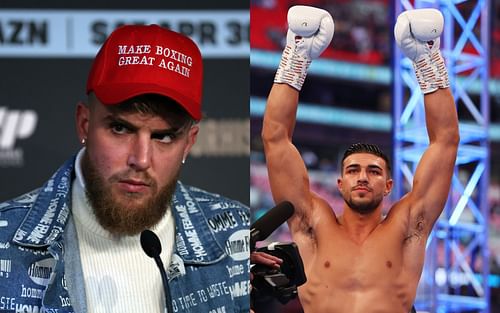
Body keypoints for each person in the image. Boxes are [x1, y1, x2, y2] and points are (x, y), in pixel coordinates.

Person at [0, 25, 249, 313]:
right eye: (120, 128)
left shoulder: (238, 234)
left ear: (189, 143)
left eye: (164, 136)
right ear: (85, 124)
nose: (141, 160)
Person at [261, 5, 459, 313]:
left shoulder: (408, 226)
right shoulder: (311, 224)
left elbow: (445, 142)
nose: (363, 176)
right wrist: (295, 57)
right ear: (340, 184)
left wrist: (428, 60)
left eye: (373, 171)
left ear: (388, 185)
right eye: (353, 170)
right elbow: (275, 139)